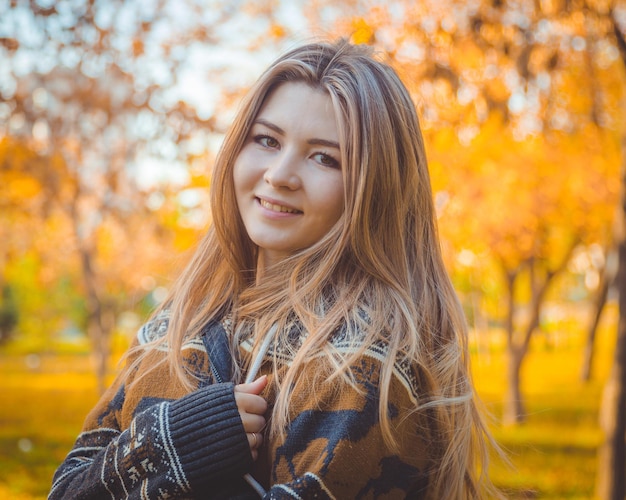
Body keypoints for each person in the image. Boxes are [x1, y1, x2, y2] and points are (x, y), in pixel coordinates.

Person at [49, 38, 500, 499]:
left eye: (325, 157)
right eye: (267, 140)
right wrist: (174, 445)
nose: (280, 174)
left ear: (375, 190)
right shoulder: (176, 326)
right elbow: (65, 491)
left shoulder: (357, 369)